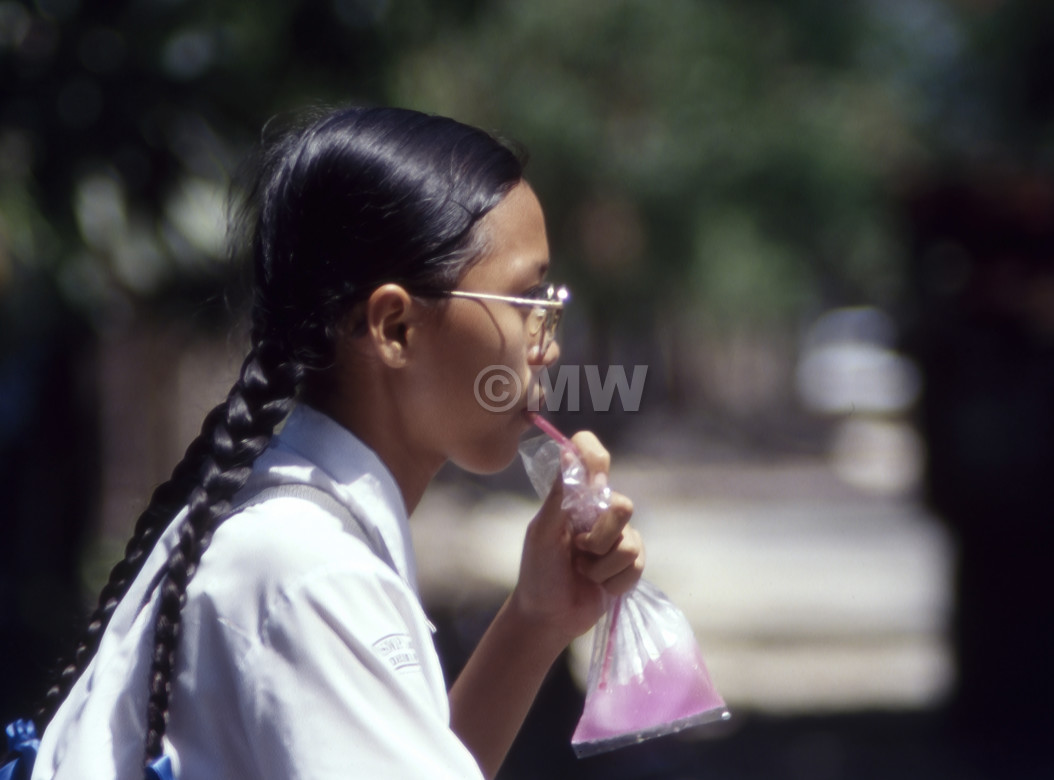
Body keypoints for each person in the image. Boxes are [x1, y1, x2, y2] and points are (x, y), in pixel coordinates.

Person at [29, 106, 644, 779]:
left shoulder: (296, 539)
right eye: (530, 304)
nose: (549, 347)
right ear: (395, 328)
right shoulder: (308, 575)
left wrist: (535, 621)